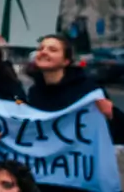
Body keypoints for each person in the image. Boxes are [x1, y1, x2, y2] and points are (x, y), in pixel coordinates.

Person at [27, 34, 124, 192]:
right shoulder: (34, 92)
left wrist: (111, 113)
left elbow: (113, 134)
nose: (43, 52)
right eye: (41, 48)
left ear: (66, 61)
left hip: (78, 180)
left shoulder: (88, 91)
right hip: (45, 176)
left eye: (52, 49)